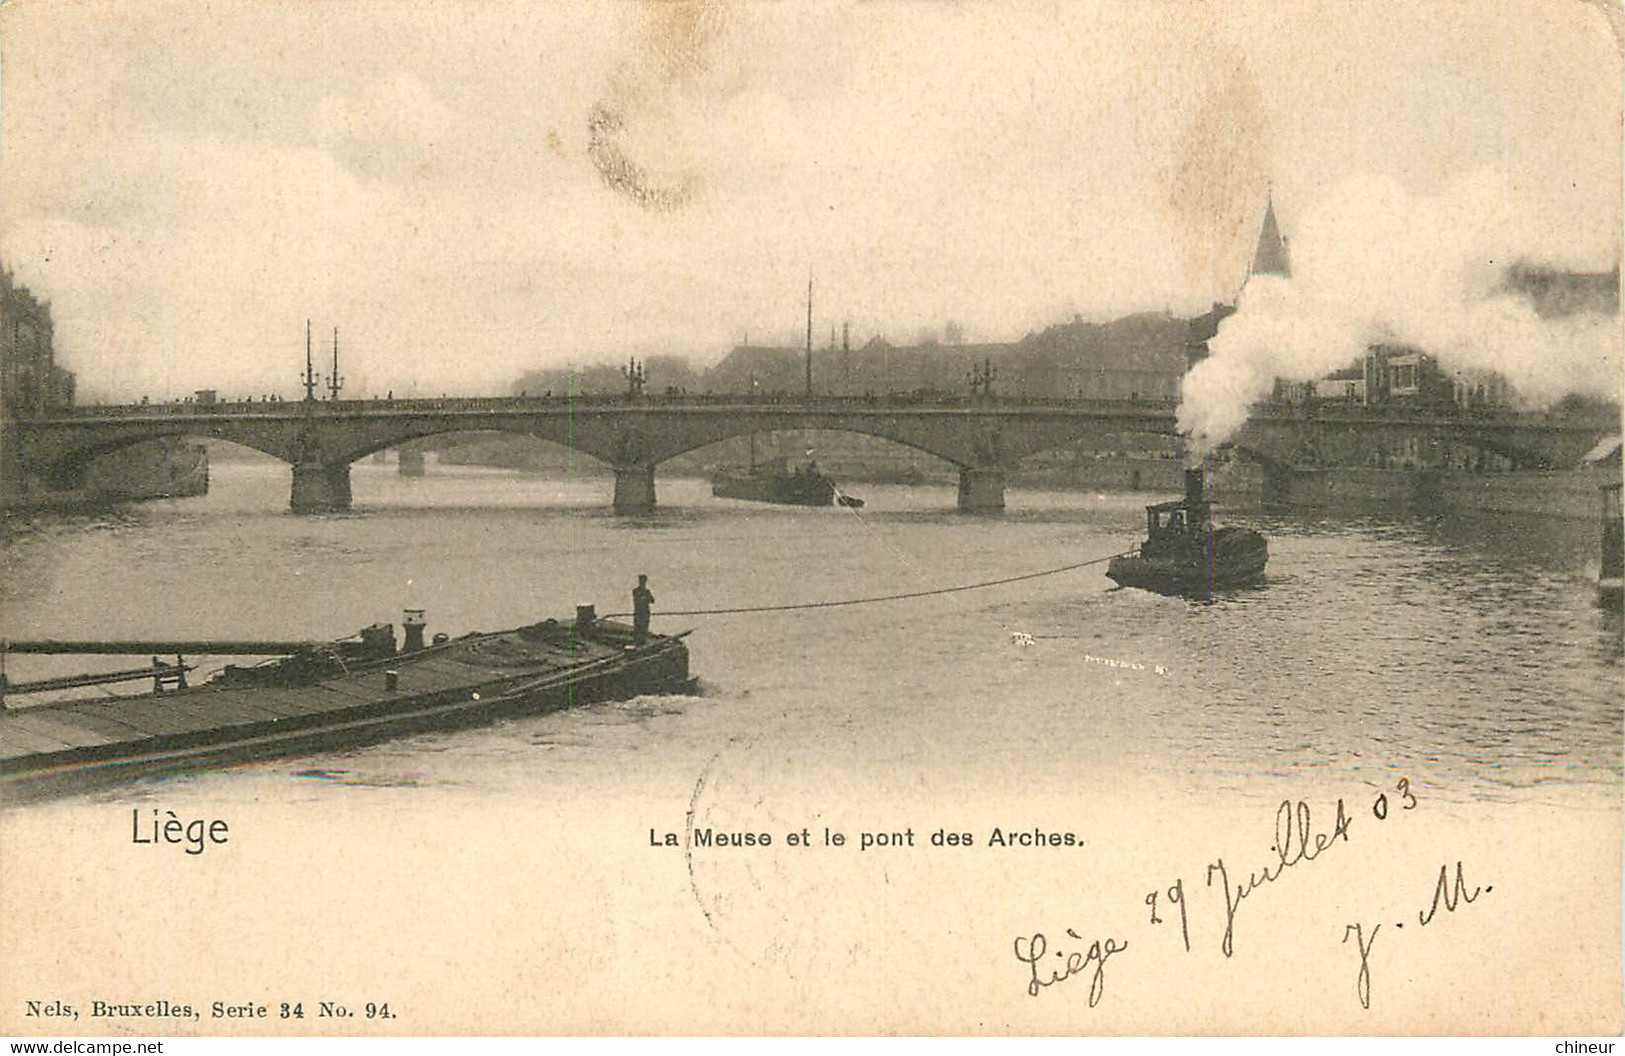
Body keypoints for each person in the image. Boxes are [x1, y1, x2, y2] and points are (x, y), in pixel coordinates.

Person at [632, 574, 655, 645]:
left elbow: (652, 600)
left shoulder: (647, 591)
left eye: (644, 581)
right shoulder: (635, 591)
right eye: (641, 581)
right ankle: (637, 641)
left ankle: (643, 641)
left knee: (644, 627)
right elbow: (637, 600)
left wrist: (645, 598)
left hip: (645, 612)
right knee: (638, 627)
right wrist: (644, 598)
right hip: (638, 612)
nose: (643, 583)